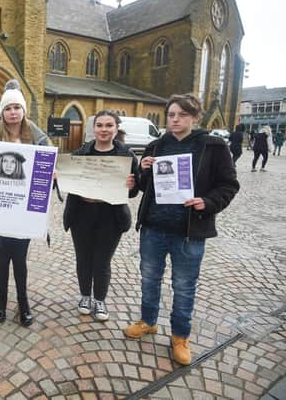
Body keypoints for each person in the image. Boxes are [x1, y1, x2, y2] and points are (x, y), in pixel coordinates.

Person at [124, 93, 239, 366]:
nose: (175, 120)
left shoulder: (212, 146)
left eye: (182, 115)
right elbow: (144, 186)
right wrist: (141, 173)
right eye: (172, 115)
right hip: (153, 227)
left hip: (188, 230)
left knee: (184, 286)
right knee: (149, 279)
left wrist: (208, 202)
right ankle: (149, 321)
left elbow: (229, 185)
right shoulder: (155, 146)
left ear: (195, 117)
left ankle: (180, 336)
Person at [0, 79, 51, 327]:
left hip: (24, 210)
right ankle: (2, 303)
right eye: (8, 108)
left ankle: (24, 303)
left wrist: (51, 175)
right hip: (0, 207)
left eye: (17, 108)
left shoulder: (36, 138)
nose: (13, 113)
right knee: (1, 259)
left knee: (20, 259)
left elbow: (44, 170)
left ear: (23, 111)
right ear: (2, 112)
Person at [63, 110, 139, 321]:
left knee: (102, 261)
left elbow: (133, 191)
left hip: (110, 216)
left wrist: (131, 186)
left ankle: (100, 300)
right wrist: (61, 176)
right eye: (100, 125)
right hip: (82, 215)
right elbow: (71, 184)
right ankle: (85, 296)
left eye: (108, 125)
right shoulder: (81, 152)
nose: (104, 130)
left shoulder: (126, 155)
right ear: (93, 128)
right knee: (83, 259)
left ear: (116, 128)